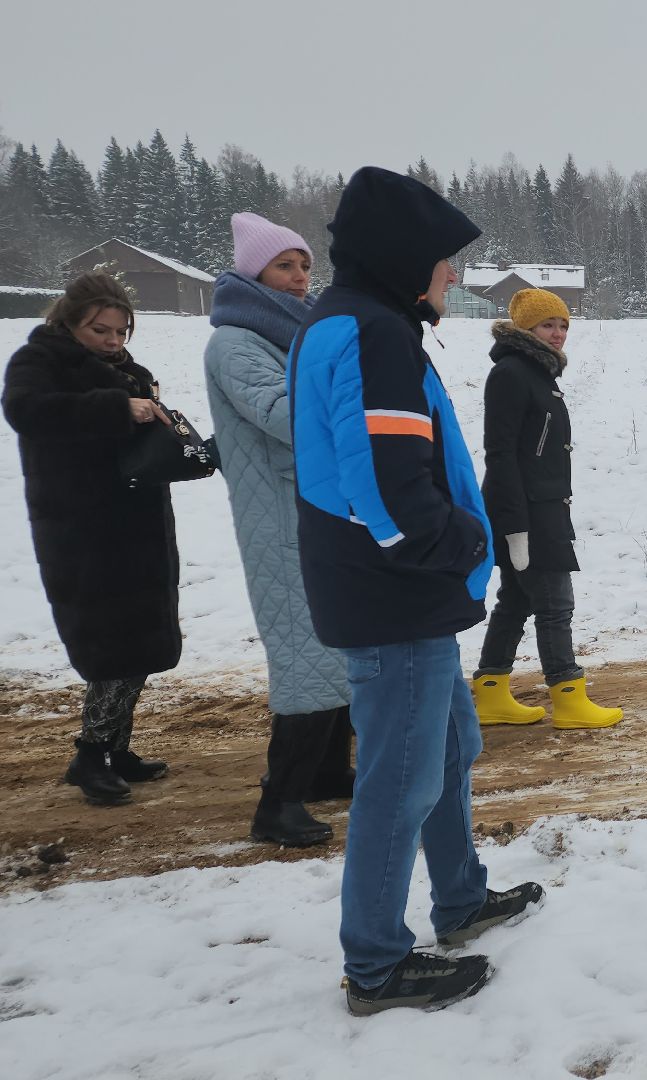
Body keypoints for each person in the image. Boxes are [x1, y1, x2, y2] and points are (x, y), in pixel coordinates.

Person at [289, 166, 541, 1014]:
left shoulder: (361, 323)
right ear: (404, 258)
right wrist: (461, 540)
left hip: (399, 592)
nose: (453, 277)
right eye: (444, 261)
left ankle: (461, 897)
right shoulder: (369, 333)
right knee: (401, 780)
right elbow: (389, 489)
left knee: (445, 752)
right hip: (392, 594)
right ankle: (377, 964)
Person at [205, 213, 356, 847]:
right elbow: (278, 413)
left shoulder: (293, 331)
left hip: (315, 510)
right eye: (284, 266)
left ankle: (325, 771)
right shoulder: (236, 341)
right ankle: (279, 801)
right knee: (305, 654)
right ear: (253, 272)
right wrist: (350, 394)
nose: (299, 278)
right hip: (280, 517)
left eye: (303, 265)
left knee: (336, 644)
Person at [3, 273, 179, 807]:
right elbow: (25, 411)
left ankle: (117, 748)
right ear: (68, 321)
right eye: (100, 329)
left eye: (122, 331)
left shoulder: (127, 370)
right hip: (83, 527)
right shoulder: (39, 362)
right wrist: (116, 408)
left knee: (139, 638)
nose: (113, 340)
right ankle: (90, 754)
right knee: (111, 644)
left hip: (136, 522)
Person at [471, 288, 622, 729]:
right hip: (527, 513)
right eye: (547, 325)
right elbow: (500, 454)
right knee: (556, 603)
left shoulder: (537, 373)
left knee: (516, 600)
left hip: (542, 507)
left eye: (562, 326)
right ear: (524, 329)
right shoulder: (512, 374)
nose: (557, 334)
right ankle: (569, 698)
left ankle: (491, 692)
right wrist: (515, 526)